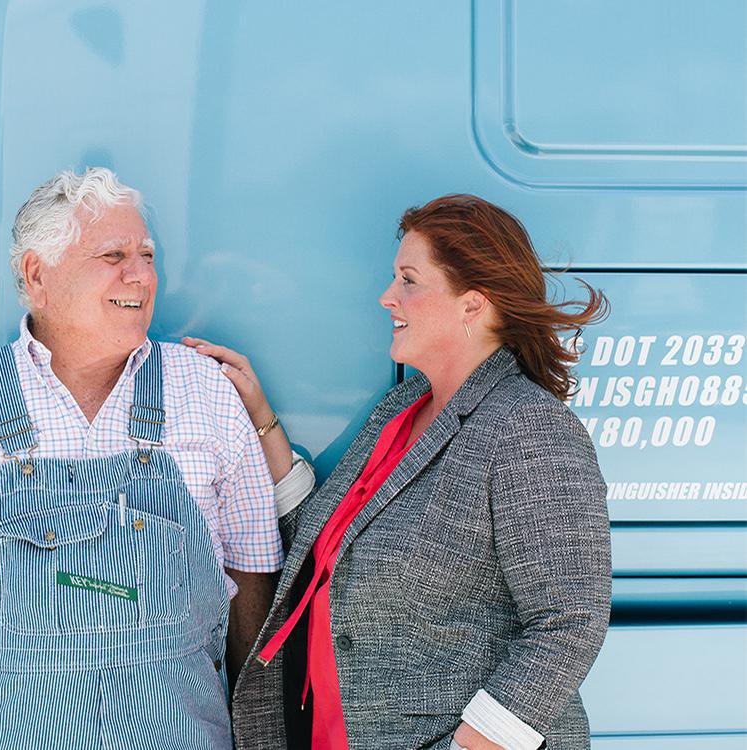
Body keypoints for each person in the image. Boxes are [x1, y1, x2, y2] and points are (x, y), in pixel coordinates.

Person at [0, 168, 311, 749]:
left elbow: (254, 575)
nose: (141, 276)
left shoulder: (206, 393)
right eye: (114, 255)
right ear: (37, 275)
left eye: (147, 255)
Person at [187, 194, 612, 749]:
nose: (388, 297)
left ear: (472, 305)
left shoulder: (527, 427)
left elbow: (568, 622)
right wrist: (259, 415)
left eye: (409, 280)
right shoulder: (403, 409)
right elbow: (322, 547)